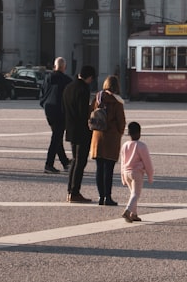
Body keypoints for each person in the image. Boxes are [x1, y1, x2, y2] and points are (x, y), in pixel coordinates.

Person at [90, 75, 126, 206]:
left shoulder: (98, 97)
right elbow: (121, 122)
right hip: (111, 137)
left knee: (99, 168)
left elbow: (90, 112)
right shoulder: (117, 102)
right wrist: (119, 133)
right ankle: (108, 197)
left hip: (97, 136)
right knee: (108, 169)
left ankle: (101, 196)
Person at [62, 65, 96, 203]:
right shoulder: (83, 89)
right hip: (82, 131)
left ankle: (70, 191)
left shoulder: (68, 87)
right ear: (89, 77)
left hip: (70, 128)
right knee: (80, 162)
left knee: (75, 161)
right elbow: (83, 113)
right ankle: (75, 192)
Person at [39, 57, 73, 173]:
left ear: (54, 66)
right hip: (60, 111)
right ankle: (49, 164)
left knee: (56, 136)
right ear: (65, 67)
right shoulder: (67, 80)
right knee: (56, 137)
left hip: (48, 109)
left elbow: (43, 91)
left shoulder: (47, 78)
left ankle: (65, 162)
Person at [120, 121, 154, 223]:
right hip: (136, 173)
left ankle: (134, 214)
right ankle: (128, 210)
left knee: (132, 194)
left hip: (126, 172)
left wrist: (123, 177)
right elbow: (147, 162)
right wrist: (150, 175)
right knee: (136, 194)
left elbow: (122, 162)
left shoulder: (125, 145)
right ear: (139, 133)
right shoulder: (141, 146)